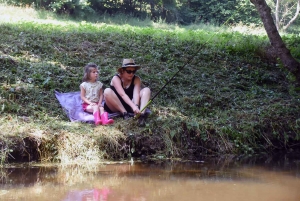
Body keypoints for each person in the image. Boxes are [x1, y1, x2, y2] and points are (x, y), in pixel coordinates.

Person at [103, 58, 151, 125]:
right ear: (122, 71)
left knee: (146, 90)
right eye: (129, 71)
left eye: (133, 71)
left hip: (130, 106)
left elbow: (136, 93)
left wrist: (136, 106)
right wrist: (133, 106)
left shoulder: (136, 79)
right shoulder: (116, 78)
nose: (131, 74)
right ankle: (125, 114)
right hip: (115, 106)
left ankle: (141, 115)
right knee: (107, 91)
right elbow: (122, 94)